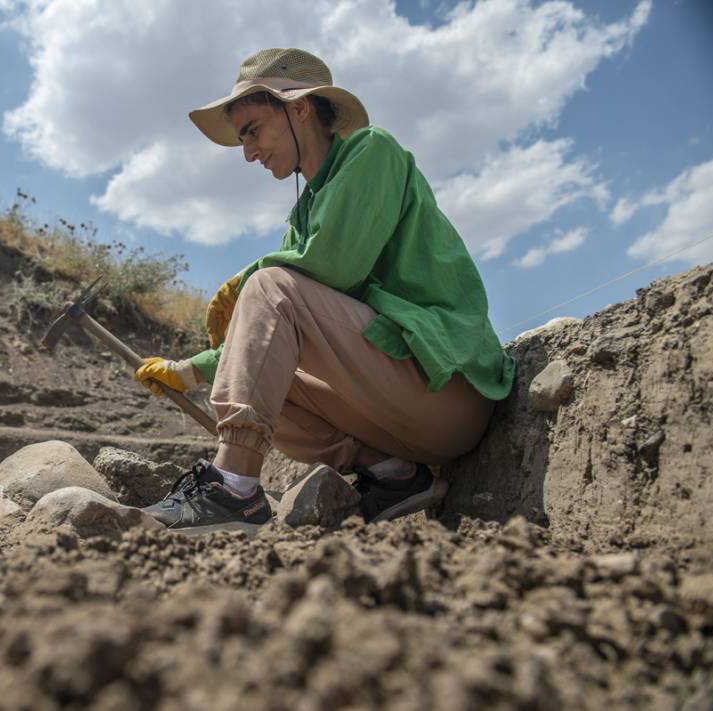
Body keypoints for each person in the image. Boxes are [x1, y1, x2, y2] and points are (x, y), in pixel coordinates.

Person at [134, 48, 515, 533]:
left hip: (449, 393)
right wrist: (187, 372)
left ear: (299, 108)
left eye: (252, 130)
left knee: (271, 287)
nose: (248, 152)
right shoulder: (303, 218)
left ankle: (232, 487)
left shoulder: (373, 150)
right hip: (402, 416)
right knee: (265, 369)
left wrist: (250, 277)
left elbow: (333, 267)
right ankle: (394, 475)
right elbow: (266, 337)